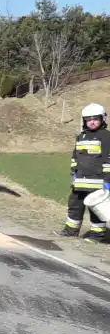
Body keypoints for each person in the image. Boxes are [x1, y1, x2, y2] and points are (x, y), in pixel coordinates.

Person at [55, 102, 110, 242]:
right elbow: (75, 157)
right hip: (79, 182)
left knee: (96, 211)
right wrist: (73, 173)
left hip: (98, 183)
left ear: (103, 119)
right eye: (88, 119)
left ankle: (97, 236)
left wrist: (107, 181)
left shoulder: (106, 136)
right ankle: (70, 231)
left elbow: (108, 161)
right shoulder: (81, 136)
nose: (91, 122)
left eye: (95, 119)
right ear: (84, 120)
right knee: (74, 206)